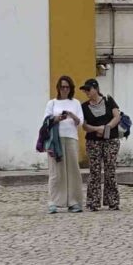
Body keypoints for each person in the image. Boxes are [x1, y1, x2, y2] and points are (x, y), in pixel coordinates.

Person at [42, 75, 85, 213]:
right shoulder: (52, 103)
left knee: (73, 170)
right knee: (56, 171)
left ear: (70, 88)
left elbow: (80, 122)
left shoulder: (76, 103)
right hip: (56, 139)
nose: (64, 89)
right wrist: (57, 118)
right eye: (62, 87)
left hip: (71, 138)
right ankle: (53, 201)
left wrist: (71, 115)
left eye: (67, 87)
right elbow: (46, 120)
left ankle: (74, 201)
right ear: (58, 88)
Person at [80, 78, 123, 211]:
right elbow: (84, 125)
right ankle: (93, 201)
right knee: (95, 171)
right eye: (85, 90)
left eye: (89, 89)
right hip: (93, 142)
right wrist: (96, 129)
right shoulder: (84, 106)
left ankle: (112, 200)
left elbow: (117, 116)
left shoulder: (108, 100)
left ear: (96, 89)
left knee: (110, 169)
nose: (87, 92)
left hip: (110, 140)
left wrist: (106, 128)